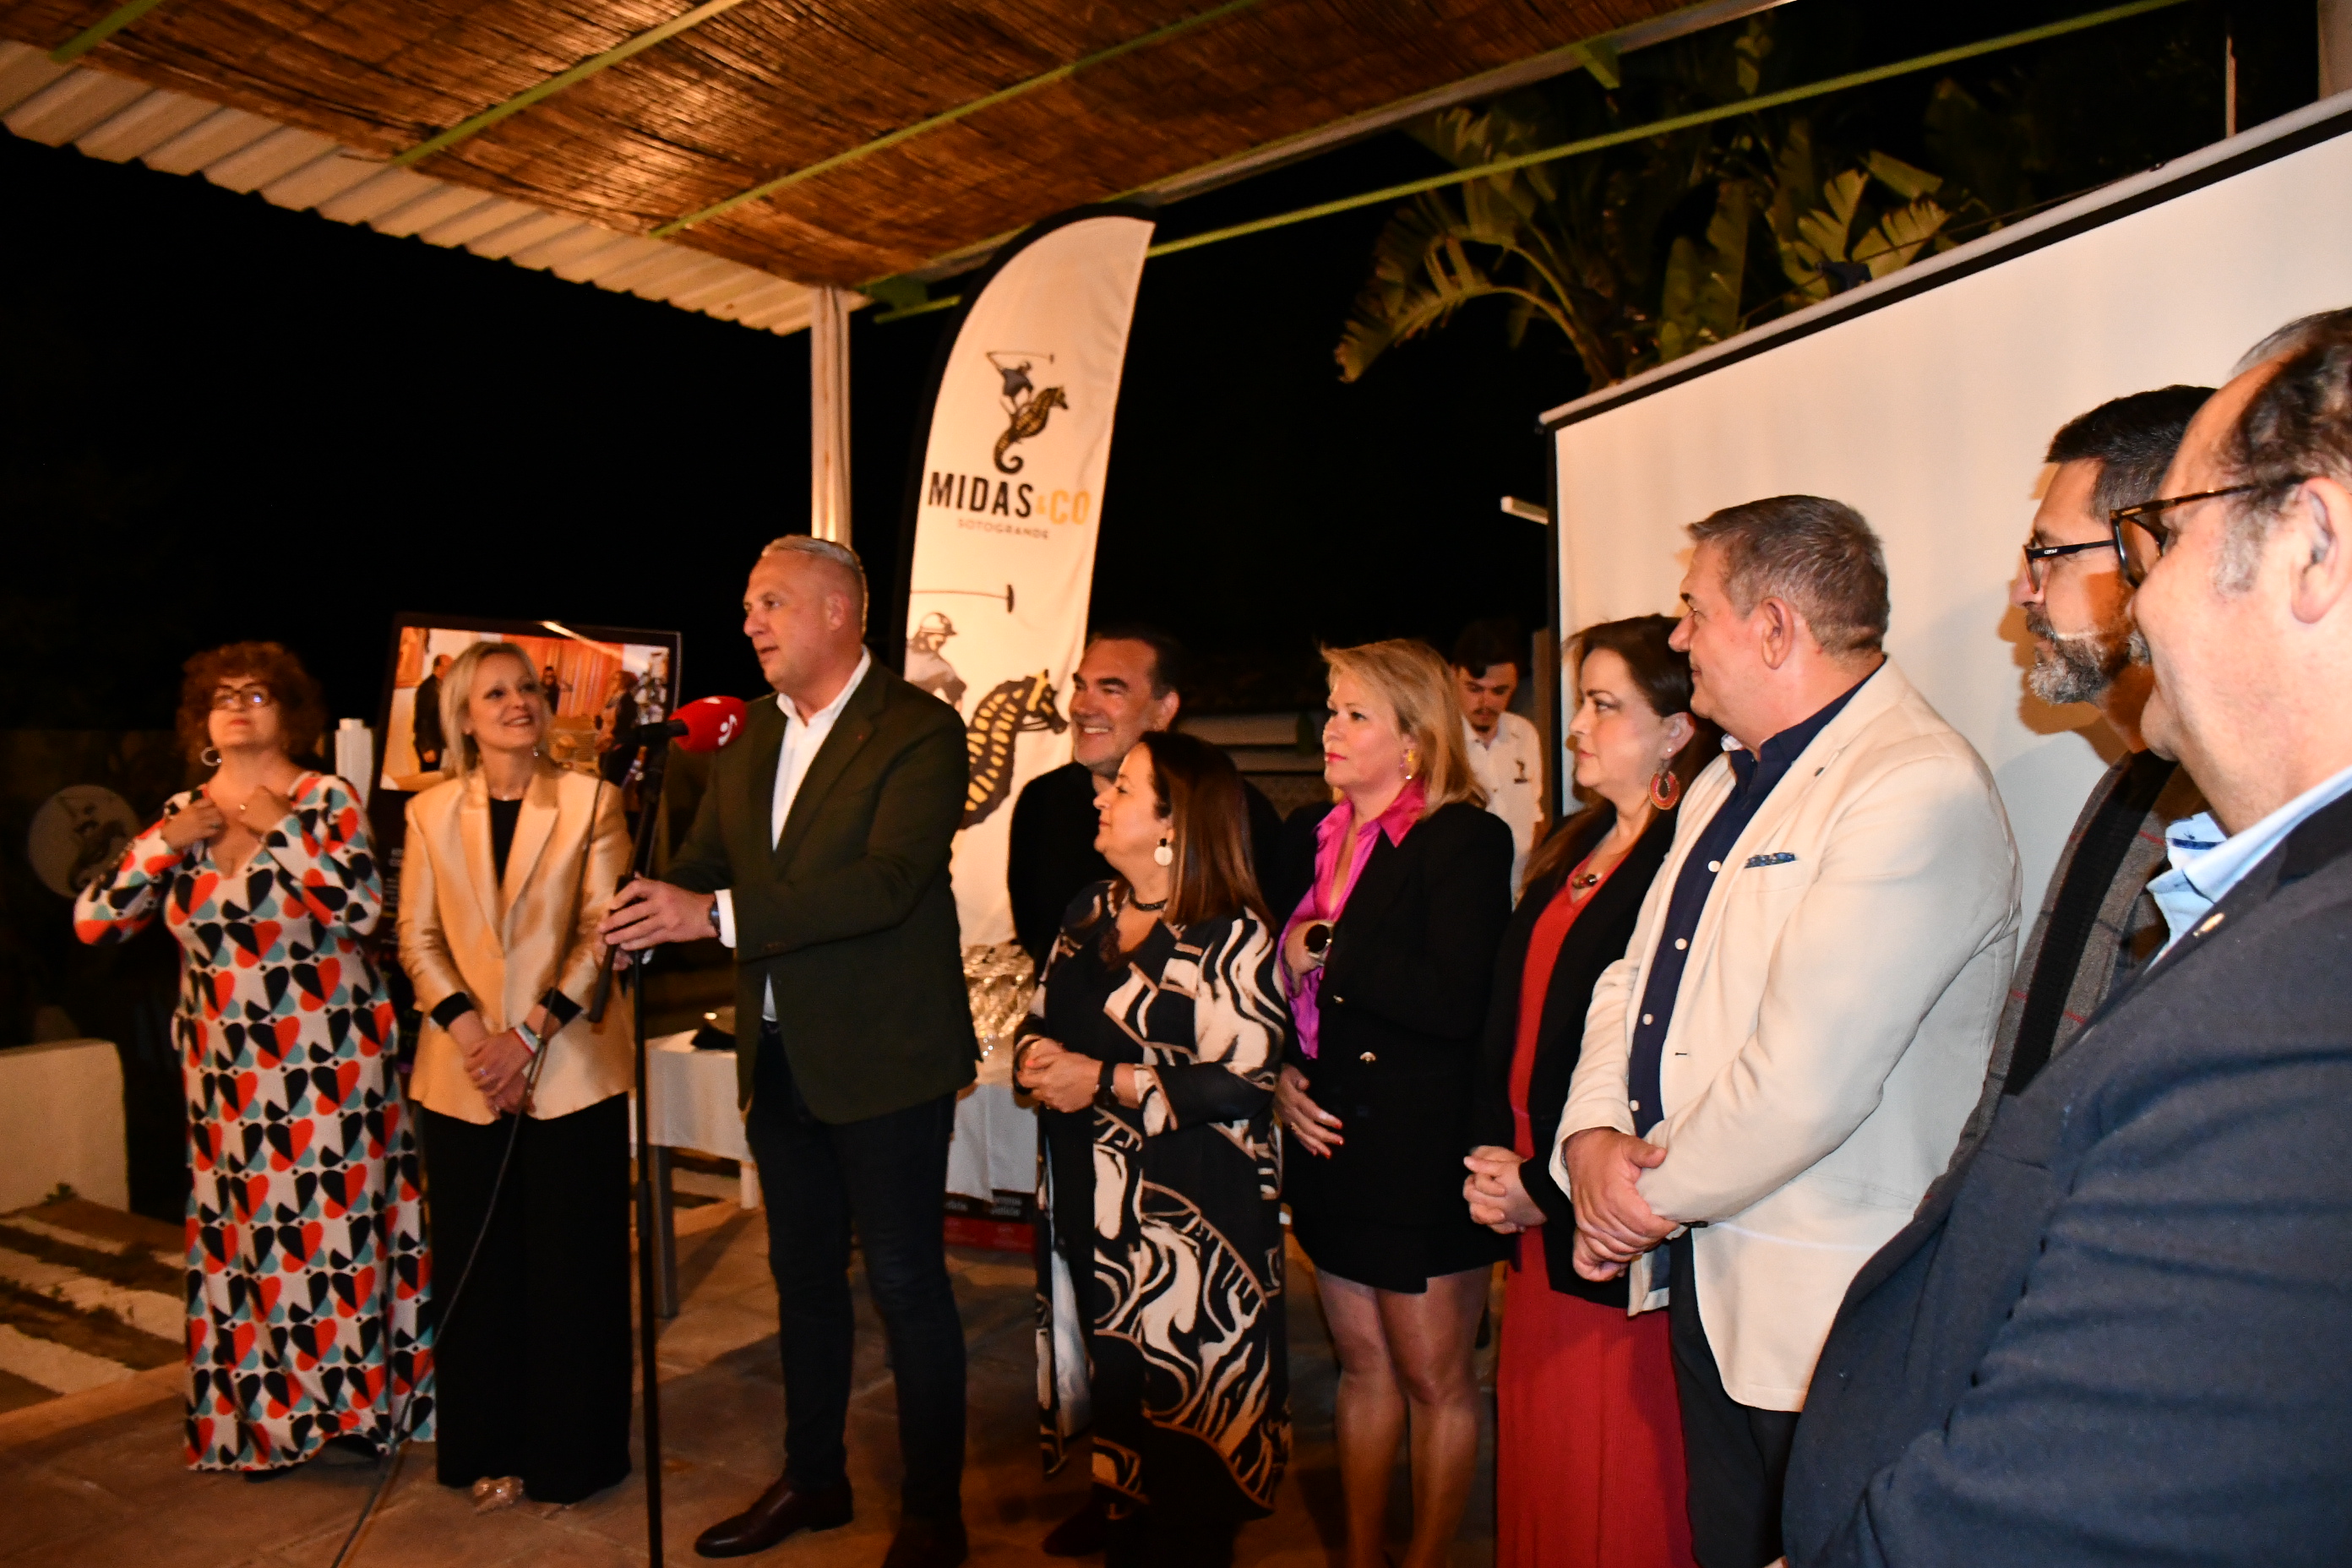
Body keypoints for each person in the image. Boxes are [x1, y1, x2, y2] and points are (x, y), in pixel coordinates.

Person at [1783, 312, 2352, 1566]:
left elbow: (2074, 1502)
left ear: (2312, 546)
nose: (2137, 599)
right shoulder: (2260, 890)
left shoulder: (2303, 1001)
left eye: (2160, 540)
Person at [1551, 497, 2018, 1568]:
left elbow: (1808, 1079)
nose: (1677, 636)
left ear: (1773, 628)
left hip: (1830, 1319)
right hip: (1712, 1281)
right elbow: (1634, 979)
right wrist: (1589, 1140)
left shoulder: (1915, 784)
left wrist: (1629, 1201)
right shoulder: (1724, 779)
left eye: (1693, 609)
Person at [599, 536, 976, 1568]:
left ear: (839, 611)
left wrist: (712, 912)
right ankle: (814, 1478)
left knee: (905, 1283)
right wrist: (649, 909)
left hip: (886, 1058)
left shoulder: (920, 728)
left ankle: (934, 1513)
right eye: (748, 605)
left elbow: (886, 883)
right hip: (778, 1056)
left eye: (771, 602)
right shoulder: (751, 733)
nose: (751, 622)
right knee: (802, 1280)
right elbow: (709, 862)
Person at [73, 642, 429, 1473]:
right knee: (246, 1243)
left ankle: (350, 1412)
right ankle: (266, 1421)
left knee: (332, 1234)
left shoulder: (324, 797)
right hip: (224, 1072)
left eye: (256, 693)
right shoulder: (182, 812)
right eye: (221, 696)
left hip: (326, 1063)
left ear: (289, 714)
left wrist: (282, 830)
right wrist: (163, 842)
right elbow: (95, 921)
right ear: (200, 720)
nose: (236, 706)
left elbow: (360, 907)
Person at [1462, 617, 1715, 1568]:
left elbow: (1664, 1069)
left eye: (1606, 706)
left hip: (1602, 1218)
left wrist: (1548, 1184)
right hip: (1530, 1211)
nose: (1576, 727)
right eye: (1583, 703)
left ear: (1675, 731)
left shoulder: (1684, 865)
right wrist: (1498, 1165)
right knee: (1546, 1467)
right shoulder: (1575, 844)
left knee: (1613, 1481)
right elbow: (1512, 1016)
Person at [1015, 730, 1291, 1566]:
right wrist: (1034, 1055)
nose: (1101, 797)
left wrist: (1100, 1078)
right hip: (1092, 1193)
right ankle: (1119, 1507)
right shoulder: (1088, 909)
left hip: (1191, 1219)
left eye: (1125, 787)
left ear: (1175, 823)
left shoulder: (1230, 934)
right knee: (1116, 1372)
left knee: (1186, 1405)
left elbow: (1244, 1079)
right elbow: (1040, 1012)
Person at [1272, 639, 1514, 1568]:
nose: (1330, 729)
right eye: (1331, 709)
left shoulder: (1462, 840)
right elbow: (1279, 985)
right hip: (1329, 1137)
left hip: (1421, 1150)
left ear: (1414, 740)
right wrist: (1285, 1072)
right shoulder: (1313, 833)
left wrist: (1328, 947)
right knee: (1363, 1367)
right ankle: (1361, 1553)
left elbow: (1455, 998)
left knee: (1434, 1379)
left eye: (1355, 714)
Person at [1939, 385, 2211, 1174]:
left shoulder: (2241, 807)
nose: (2023, 591)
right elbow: (2026, 1072)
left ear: (2154, 553)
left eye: (2050, 554)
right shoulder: (2130, 785)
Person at [396, 641, 634, 1504]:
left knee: (574, 1272)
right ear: (463, 716)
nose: (517, 703)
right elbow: (417, 939)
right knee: (479, 1272)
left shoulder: (593, 799)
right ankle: (484, 1449)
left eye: (527, 687)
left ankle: (573, 1458)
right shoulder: (428, 812)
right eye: (494, 693)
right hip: (462, 1077)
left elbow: (604, 930)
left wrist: (526, 1036)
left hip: (569, 1069)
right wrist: (477, 1039)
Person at [1007, 625, 1283, 970]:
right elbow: (1038, 940)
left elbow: (1265, 942)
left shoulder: (1230, 809)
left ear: (1164, 709)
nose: (1082, 707)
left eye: (1111, 690)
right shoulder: (1042, 801)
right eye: (1080, 687)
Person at [1453, 618, 1546, 895]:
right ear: (1453, 676)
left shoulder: (1524, 734)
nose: (1486, 702)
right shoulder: (1439, 742)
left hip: (1518, 892)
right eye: (1474, 689)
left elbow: (1535, 816)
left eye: (1499, 691)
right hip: (1464, 894)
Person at [414, 651, 450, 772]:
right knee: (429, 776)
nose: (452, 670)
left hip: (439, 743)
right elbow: (423, 720)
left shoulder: (443, 685)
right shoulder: (428, 689)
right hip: (431, 746)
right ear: (438, 668)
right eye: (448, 666)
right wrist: (427, 747)